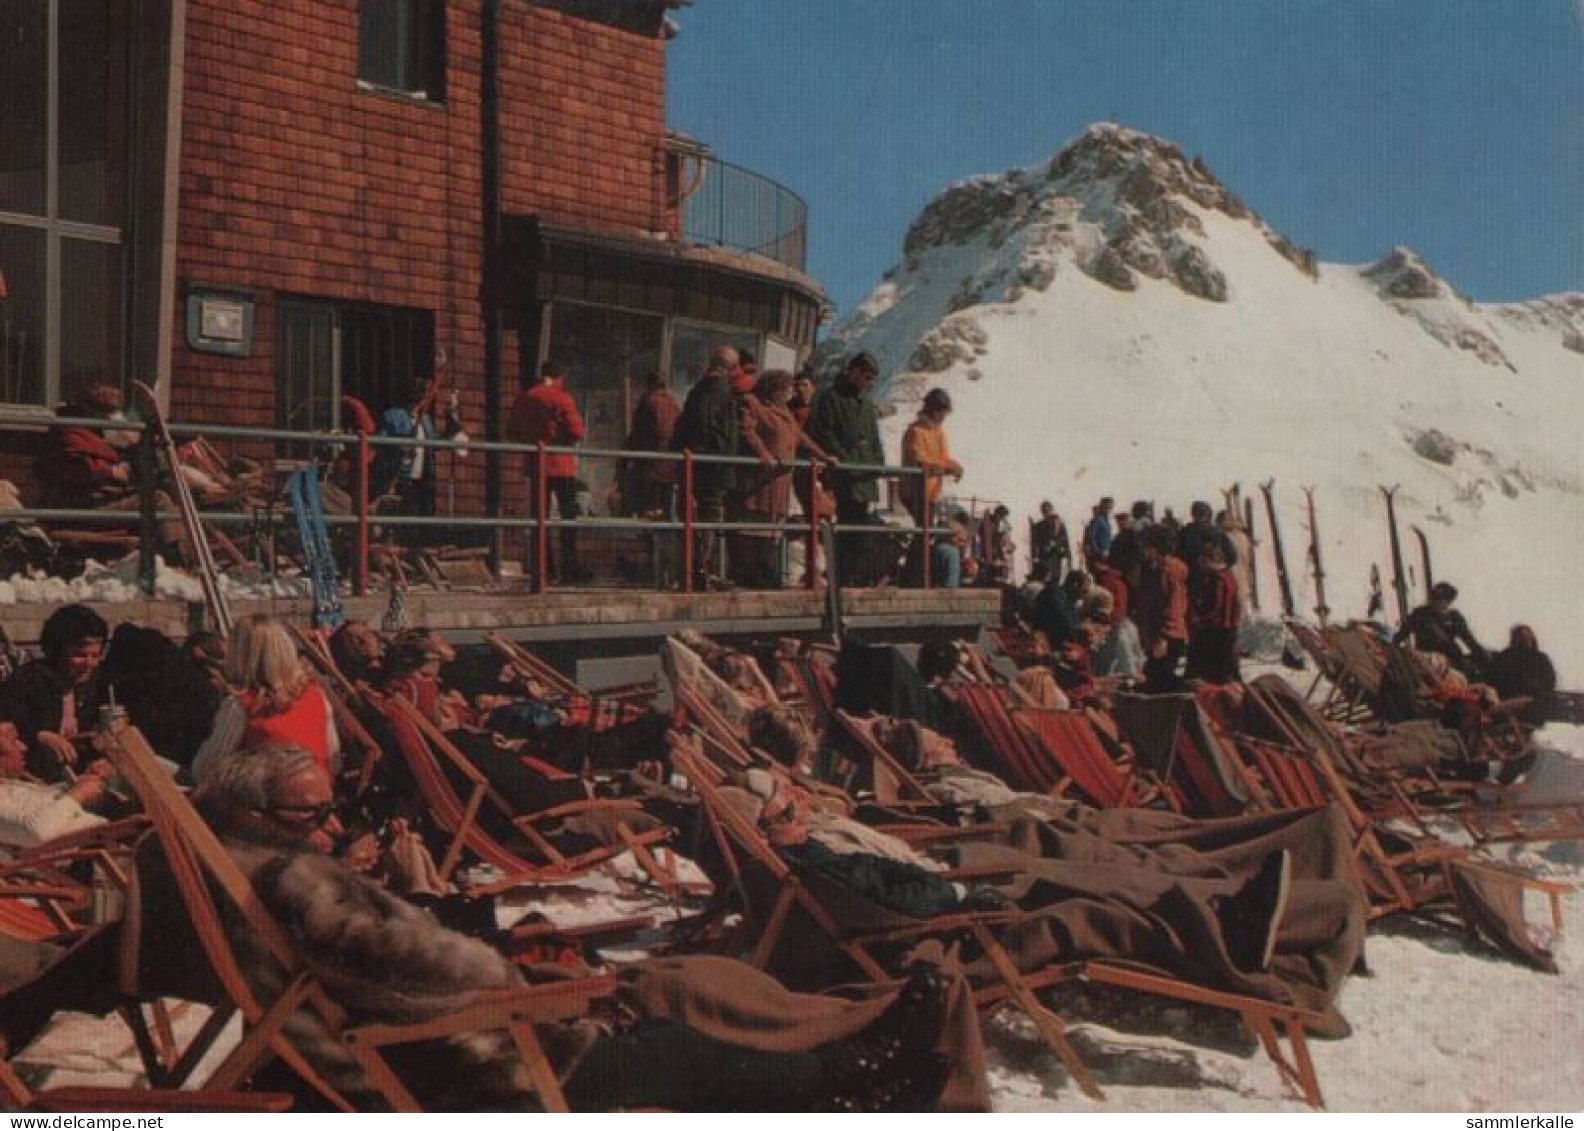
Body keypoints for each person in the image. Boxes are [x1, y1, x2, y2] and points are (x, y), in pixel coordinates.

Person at [192, 744, 969, 1112]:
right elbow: (403, 961)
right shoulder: (295, 879)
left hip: (439, 1043)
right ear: (261, 814)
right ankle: (842, 1084)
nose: (333, 823)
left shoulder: (261, 870)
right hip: (477, 1067)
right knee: (672, 1053)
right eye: (313, 813)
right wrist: (521, 988)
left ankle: (844, 1068)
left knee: (668, 1037)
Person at [192, 614, 340, 783]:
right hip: (318, 793)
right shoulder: (317, 696)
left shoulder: (240, 705)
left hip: (265, 800)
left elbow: (204, 770)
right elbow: (334, 761)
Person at [731, 369, 832, 588]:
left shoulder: (784, 410)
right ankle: (750, 573)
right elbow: (746, 430)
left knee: (772, 527)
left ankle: (765, 572)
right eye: (787, 389)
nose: (791, 393)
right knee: (753, 525)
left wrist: (823, 455)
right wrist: (763, 454)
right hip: (759, 479)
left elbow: (800, 437)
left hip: (779, 481)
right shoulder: (753, 403)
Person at [805, 352, 888, 586]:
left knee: (860, 533)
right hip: (844, 479)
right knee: (845, 530)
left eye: (871, 377)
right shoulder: (830, 398)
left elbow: (874, 439)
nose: (867, 381)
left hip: (864, 480)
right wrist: (846, 461)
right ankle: (839, 578)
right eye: (864, 375)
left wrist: (876, 465)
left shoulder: (866, 405)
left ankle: (850, 577)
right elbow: (825, 434)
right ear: (852, 371)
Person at [0, 604, 110, 780]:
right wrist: (38, 735)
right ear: (57, 651)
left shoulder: (92, 685)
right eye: (80, 655)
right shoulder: (25, 682)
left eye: (95, 656)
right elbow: (6, 730)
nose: (89, 663)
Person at [507, 360, 588, 585]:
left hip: (535, 465)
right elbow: (577, 431)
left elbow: (511, 431)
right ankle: (568, 569)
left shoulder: (525, 397)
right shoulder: (561, 398)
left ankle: (544, 570)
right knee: (568, 517)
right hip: (561, 464)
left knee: (539, 519)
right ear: (560, 377)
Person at [672, 353, 741, 589]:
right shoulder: (718, 390)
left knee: (699, 517)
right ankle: (703, 571)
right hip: (712, 468)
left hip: (703, 464)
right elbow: (708, 425)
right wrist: (720, 455)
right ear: (729, 368)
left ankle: (700, 569)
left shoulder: (698, 390)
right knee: (709, 515)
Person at [0, 720, 112, 847]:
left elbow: (53, 807)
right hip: (87, 853)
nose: (23, 747)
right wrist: (79, 793)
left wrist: (87, 780)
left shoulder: (11, 786)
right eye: (13, 742)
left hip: (104, 839)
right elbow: (36, 832)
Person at [617, 370, 681, 521]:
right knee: (664, 509)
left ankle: (648, 537)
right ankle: (663, 540)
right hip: (670, 466)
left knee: (647, 508)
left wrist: (625, 458)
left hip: (650, 465)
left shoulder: (648, 402)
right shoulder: (674, 404)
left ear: (649, 384)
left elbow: (638, 433)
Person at [1134, 526, 1189, 694]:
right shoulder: (1163, 568)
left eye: (1147, 547)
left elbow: (1172, 606)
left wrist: (1163, 637)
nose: (1144, 552)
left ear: (1156, 548)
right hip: (1165, 634)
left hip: (1167, 636)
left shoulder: (1167, 571)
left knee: (1159, 682)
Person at [899, 389, 963, 530]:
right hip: (915, 493)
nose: (943, 417)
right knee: (925, 532)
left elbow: (943, 458)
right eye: (942, 412)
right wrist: (946, 468)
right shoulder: (915, 432)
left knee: (927, 532)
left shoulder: (938, 433)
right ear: (933, 410)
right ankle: (917, 552)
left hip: (930, 493)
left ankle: (919, 551)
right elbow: (921, 462)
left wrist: (955, 467)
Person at [1393, 581, 1488, 675]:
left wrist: (1485, 657)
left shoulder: (1455, 617)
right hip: (1426, 663)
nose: (1437, 601)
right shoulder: (1420, 615)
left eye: (1442, 599)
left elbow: (1469, 641)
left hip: (1450, 662)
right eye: (1435, 598)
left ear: (1448, 601)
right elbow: (1400, 636)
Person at [1185, 544, 1242, 684]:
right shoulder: (1230, 576)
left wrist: (1200, 618)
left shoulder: (1217, 580)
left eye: (1203, 560)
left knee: (1215, 668)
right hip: (1229, 627)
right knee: (1227, 666)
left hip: (1216, 629)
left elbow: (1216, 606)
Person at [1483, 625, 1557, 729]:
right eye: (1523, 638)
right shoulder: (1505, 657)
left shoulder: (1540, 658)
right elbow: (1494, 680)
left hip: (1532, 701)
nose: (1526, 641)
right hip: (1510, 700)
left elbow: (1549, 682)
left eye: (1528, 638)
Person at [1028, 502, 1071, 585]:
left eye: (1048, 510)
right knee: (1044, 579)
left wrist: (1068, 556)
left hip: (1057, 556)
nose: (1046, 512)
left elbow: (1065, 541)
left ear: (1051, 510)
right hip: (1044, 557)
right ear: (1042, 512)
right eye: (1044, 510)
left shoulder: (1061, 525)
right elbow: (1035, 543)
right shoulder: (1039, 526)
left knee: (1056, 578)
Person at [1082, 497, 1114, 567]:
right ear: (1102, 506)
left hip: (1105, 554)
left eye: (1110, 507)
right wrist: (1099, 552)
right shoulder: (1098, 520)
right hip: (1098, 556)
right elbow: (1091, 537)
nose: (1109, 509)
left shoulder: (1106, 521)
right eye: (1107, 506)